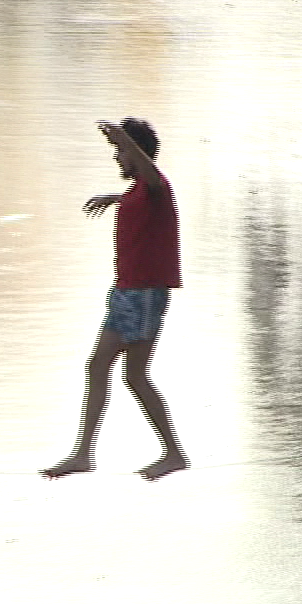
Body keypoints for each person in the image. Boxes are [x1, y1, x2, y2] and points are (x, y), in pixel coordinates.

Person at [41, 117, 188, 481]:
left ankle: (84, 454)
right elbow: (142, 190)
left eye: (120, 151)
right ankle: (171, 453)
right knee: (134, 375)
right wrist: (115, 198)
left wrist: (127, 140)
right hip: (133, 293)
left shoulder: (156, 185)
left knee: (101, 365)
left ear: (137, 155)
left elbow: (153, 177)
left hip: (140, 295)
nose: (117, 158)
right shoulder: (139, 190)